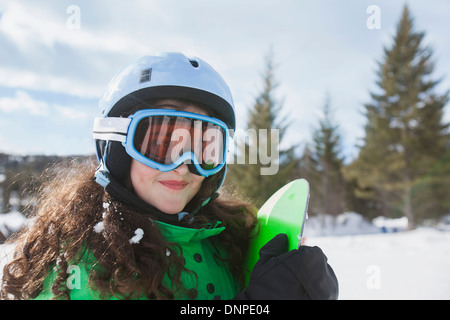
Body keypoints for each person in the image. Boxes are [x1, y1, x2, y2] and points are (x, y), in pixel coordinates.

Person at [1, 52, 338, 300]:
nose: (182, 165)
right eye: (163, 143)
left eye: (204, 146)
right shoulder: (78, 267)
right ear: (117, 146)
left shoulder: (228, 241)